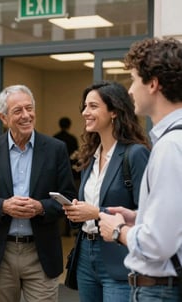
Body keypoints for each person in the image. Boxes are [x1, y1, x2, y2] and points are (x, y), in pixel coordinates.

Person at [0, 84, 77, 302]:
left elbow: (68, 199)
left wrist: (41, 207)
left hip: (40, 252)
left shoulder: (55, 149)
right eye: (18, 111)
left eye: (29, 108)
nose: (26, 115)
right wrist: (3, 206)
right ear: (4, 118)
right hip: (0, 252)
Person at [98, 38, 182, 302]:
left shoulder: (170, 146)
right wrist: (140, 217)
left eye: (134, 79)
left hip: (159, 290)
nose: (131, 90)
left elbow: (157, 244)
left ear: (153, 84)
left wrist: (117, 230)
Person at [63, 81, 150, 302]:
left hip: (119, 256)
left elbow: (147, 213)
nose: (85, 113)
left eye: (93, 106)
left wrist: (95, 212)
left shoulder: (135, 154)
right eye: (84, 107)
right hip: (85, 253)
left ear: (113, 111)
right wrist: (76, 211)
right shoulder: (89, 157)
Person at [54, 117, 80, 236]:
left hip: (56, 174)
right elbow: (75, 156)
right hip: (71, 174)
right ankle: (68, 230)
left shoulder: (54, 139)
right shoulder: (72, 139)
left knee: (58, 201)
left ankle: (59, 230)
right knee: (70, 201)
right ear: (69, 125)